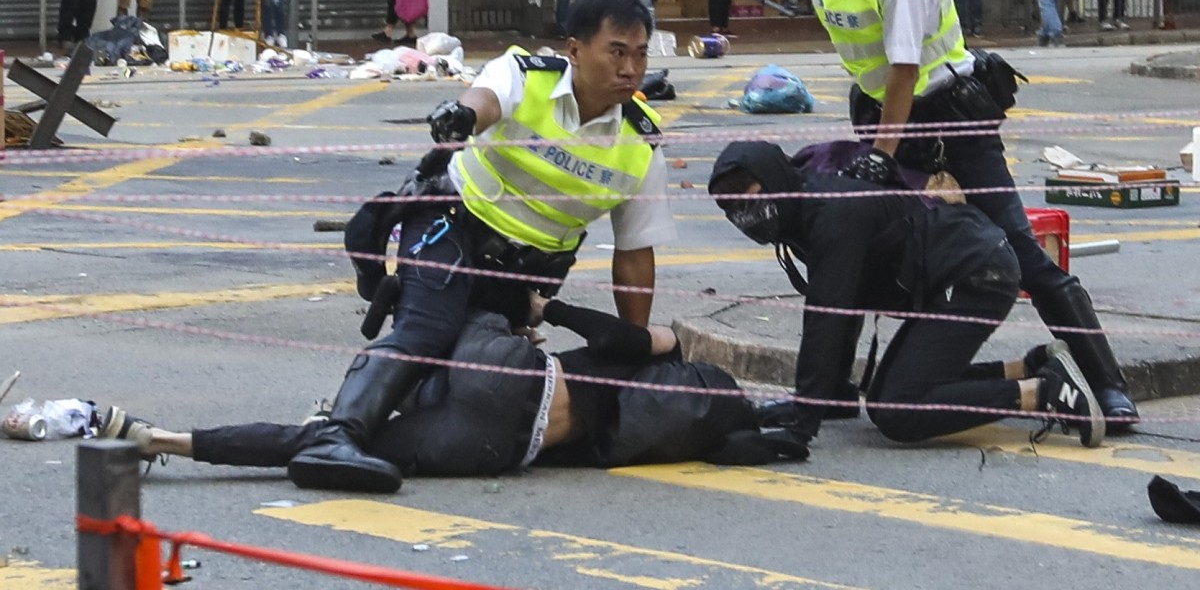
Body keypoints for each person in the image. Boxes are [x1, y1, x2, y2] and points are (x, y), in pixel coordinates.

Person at [694, 0, 1138, 430]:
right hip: (885, 116)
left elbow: (905, 69)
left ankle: (1109, 386)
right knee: (854, 242)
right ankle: (829, 393)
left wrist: (883, 156)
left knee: (1021, 252)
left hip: (946, 117)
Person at [285, 0, 677, 493]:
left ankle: (360, 417)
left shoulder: (640, 144)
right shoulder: (525, 73)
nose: (631, 68)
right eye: (617, 51)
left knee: (469, 370)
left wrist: (633, 349)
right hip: (450, 227)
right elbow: (485, 101)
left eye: (641, 54)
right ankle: (335, 437)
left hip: (521, 282)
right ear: (575, 51)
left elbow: (634, 254)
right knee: (427, 330)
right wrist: (463, 117)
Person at [99, 292, 807, 484]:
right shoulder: (717, 428)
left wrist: (543, 310)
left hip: (514, 374)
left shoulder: (681, 362)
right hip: (498, 444)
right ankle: (166, 442)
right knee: (324, 442)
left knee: (455, 298)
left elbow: (624, 338)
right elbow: (746, 448)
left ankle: (396, 302)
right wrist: (782, 437)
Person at [707, 140, 1106, 449]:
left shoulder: (830, 212)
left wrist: (803, 424)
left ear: (773, 179)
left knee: (897, 410)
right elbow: (844, 303)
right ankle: (1030, 367)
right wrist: (826, 398)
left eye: (750, 196)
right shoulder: (800, 213)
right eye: (732, 207)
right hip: (952, 273)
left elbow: (826, 314)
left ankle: (1045, 392)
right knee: (885, 393)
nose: (745, 213)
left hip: (975, 274)